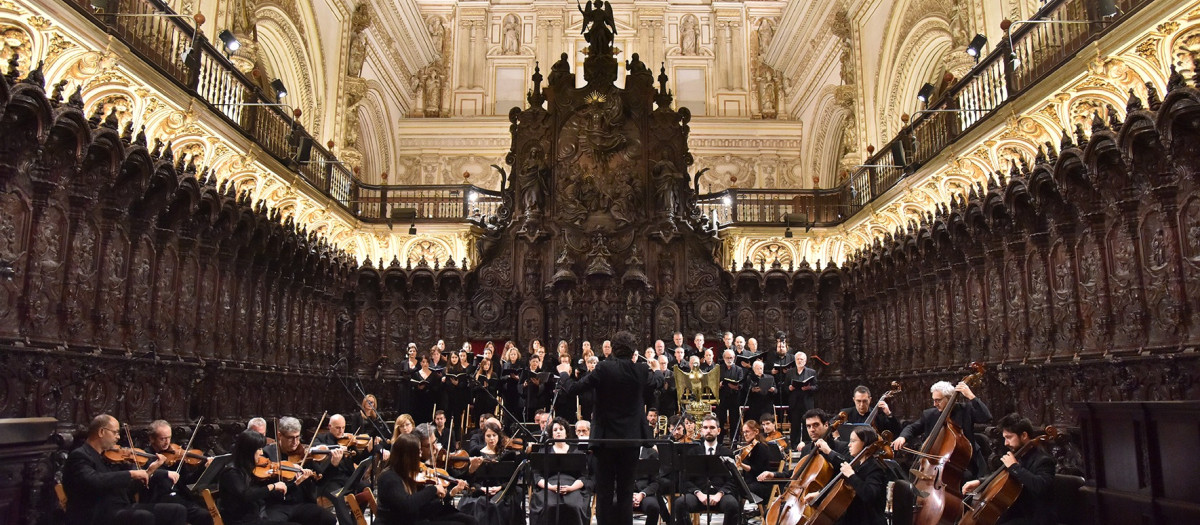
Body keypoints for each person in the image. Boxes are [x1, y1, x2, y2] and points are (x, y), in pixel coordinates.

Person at [556, 329, 665, 525]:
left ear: (613, 349)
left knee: (604, 492)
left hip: (604, 440)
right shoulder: (640, 369)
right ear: (633, 351)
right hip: (631, 440)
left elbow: (574, 389)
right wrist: (656, 368)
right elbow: (658, 381)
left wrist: (564, 374)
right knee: (625, 491)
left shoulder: (603, 368)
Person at [63, 414, 187, 525]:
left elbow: (127, 491)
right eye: (115, 432)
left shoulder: (107, 458)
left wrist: (149, 472)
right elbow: (94, 480)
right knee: (143, 517)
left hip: (120, 508)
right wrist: (131, 473)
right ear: (101, 432)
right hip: (94, 513)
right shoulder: (80, 455)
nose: (118, 437)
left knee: (177, 510)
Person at [961, 414, 1056, 525]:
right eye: (1004, 438)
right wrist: (979, 482)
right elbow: (1001, 477)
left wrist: (1014, 467)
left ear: (1024, 435)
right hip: (1014, 512)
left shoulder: (1044, 460)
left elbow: (1040, 486)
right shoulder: (1017, 456)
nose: (1006, 443)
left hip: (1033, 517)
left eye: (1009, 437)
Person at [218, 429, 326, 525]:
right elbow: (246, 495)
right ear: (248, 450)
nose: (261, 452)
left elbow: (265, 494)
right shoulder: (232, 472)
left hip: (255, 517)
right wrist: (272, 486)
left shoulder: (250, 469)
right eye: (259, 449)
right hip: (242, 521)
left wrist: (294, 484)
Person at [892, 380, 992, 477]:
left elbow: (986, 417)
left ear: (949, 398)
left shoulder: (966, 411)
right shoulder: (930, 414)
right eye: (933, 400)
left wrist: (971, 396)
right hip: (936, 464)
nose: (934, 404)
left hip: (964, 464)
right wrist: (902, 437)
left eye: (938, 400)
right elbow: (912, 428)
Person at [377, 434, 476, 525]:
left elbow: (422, 508)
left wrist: (448, 495)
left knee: (470, 521)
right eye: (418, 452)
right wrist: (433, 489)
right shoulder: (389, 477)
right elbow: (407, 505)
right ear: (408, 456)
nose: (420, 455)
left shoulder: (406, 474)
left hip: (413, 519)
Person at [802, 426, 887, 525]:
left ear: (865, 443)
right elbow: (842, 463)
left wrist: (851, 475)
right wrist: (820, 494)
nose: (849, 445)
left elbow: (869, 495)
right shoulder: (856, 463)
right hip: (853, 518)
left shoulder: (875, 468)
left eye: (853, 441)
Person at [143, 420, 213, 525]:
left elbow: (188, 480)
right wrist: (165, 473)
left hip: (179, 496)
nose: (167, 442)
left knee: (205, 514)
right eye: (162, 439)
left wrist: (203, 467)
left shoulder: (176, 455)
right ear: (152, 439)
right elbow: (146, 474)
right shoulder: (146, 455)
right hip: (159, 499)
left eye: (169, 438)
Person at [672, 415, 739, 525]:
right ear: (702, 430)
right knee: (680, 504)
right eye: (706, 427)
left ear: (718, 431)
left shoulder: (727, 452)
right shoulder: (693, 452)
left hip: (720, 495)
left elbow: (733, 480)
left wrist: (720, 494)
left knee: (733, 505)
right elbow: (685, 479)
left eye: (712, 428)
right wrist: (698, 493)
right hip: (698, 494)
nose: (709, 430)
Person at [458, 420, 524, 524]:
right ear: (484, 437)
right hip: (481, 490)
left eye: (494, 435)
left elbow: (512, 479)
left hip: (501, 490)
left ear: (499, 436)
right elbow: (470, 480)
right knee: (479, 504)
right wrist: (481, 488)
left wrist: (499, 488)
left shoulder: (508, 455)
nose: (492, 439)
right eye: (488, 436)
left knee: (498, 505)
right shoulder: (476, 453)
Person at [529, 417, 590, 525]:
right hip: (549, 487)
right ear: (551, 434)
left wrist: (571, 488)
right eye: (555, 430)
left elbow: (584, 477)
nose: (558, 432)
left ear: (566, 432)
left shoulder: (577, 451)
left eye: (561, 429)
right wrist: (550, 487)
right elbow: (536, 475)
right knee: (550, 506)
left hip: (572, 487)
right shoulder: (544, 451)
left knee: (573, 506)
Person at [759, 409, 849, 482]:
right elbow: (796, 473)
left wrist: (829, 452)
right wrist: (774, 474)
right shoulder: (806, 449)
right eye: (808, 426)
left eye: (816, 425)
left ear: (826, 425)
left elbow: (848, 467)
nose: (812, 430)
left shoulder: (841, 447)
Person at [736, 420, 775, 505]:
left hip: (761, 484)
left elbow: (756, 469)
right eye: (743, 432)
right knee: (735, 487)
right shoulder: (748, 447)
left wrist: (741, 464)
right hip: (751, 482)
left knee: (739, 490)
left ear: (756, 431)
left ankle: (740, 515)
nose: (745, 434)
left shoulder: (761, 447)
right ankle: (739, 515)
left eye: (747, 432)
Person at [784, 351, 819, 446]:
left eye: (802, 359)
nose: (800, 361)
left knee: (807, 424)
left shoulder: (811, 372)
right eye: (798, 359)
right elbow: (785, 387)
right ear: (795, 360)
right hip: (794, 403)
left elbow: (816, 387)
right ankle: (794, 445)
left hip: (806, 402)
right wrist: (789, 388)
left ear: (805, 361)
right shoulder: (790, 372)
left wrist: (809, 388)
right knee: (795, 425)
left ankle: (806, 444)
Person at [631, 445, 665, 525]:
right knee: (614, 505)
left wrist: (642, 494)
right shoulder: (622, 452)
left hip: (645, 492)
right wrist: (630, 495)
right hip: (625, 492)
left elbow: (656, 482)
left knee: (654, 507)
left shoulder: (652, 453)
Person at [716, 349, 744, 441]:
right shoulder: (718, 368)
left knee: (734, 421)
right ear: (724, 358)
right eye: (727, 358)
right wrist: (718, 385)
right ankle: (719, 441)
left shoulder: (739, 369)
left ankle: (734, 441)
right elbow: (713, 383)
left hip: (734, 398)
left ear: (734, 358)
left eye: (731, 357)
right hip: (722, 398)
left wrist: (736, 386)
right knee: (720, 421)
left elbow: (741, 384)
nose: (729, 359)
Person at [744, 360, 776, 431]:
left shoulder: (770, 377)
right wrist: (753, 390)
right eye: (758, 368)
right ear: (753, 369)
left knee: (767, 423)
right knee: (756, 425)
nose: (760, 370)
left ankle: (768, 439)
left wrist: (773, 389)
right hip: (755, 405)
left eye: (761, 368)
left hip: (767, 405)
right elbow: (746, 391)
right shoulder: (750, 378)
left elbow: (776, 390)